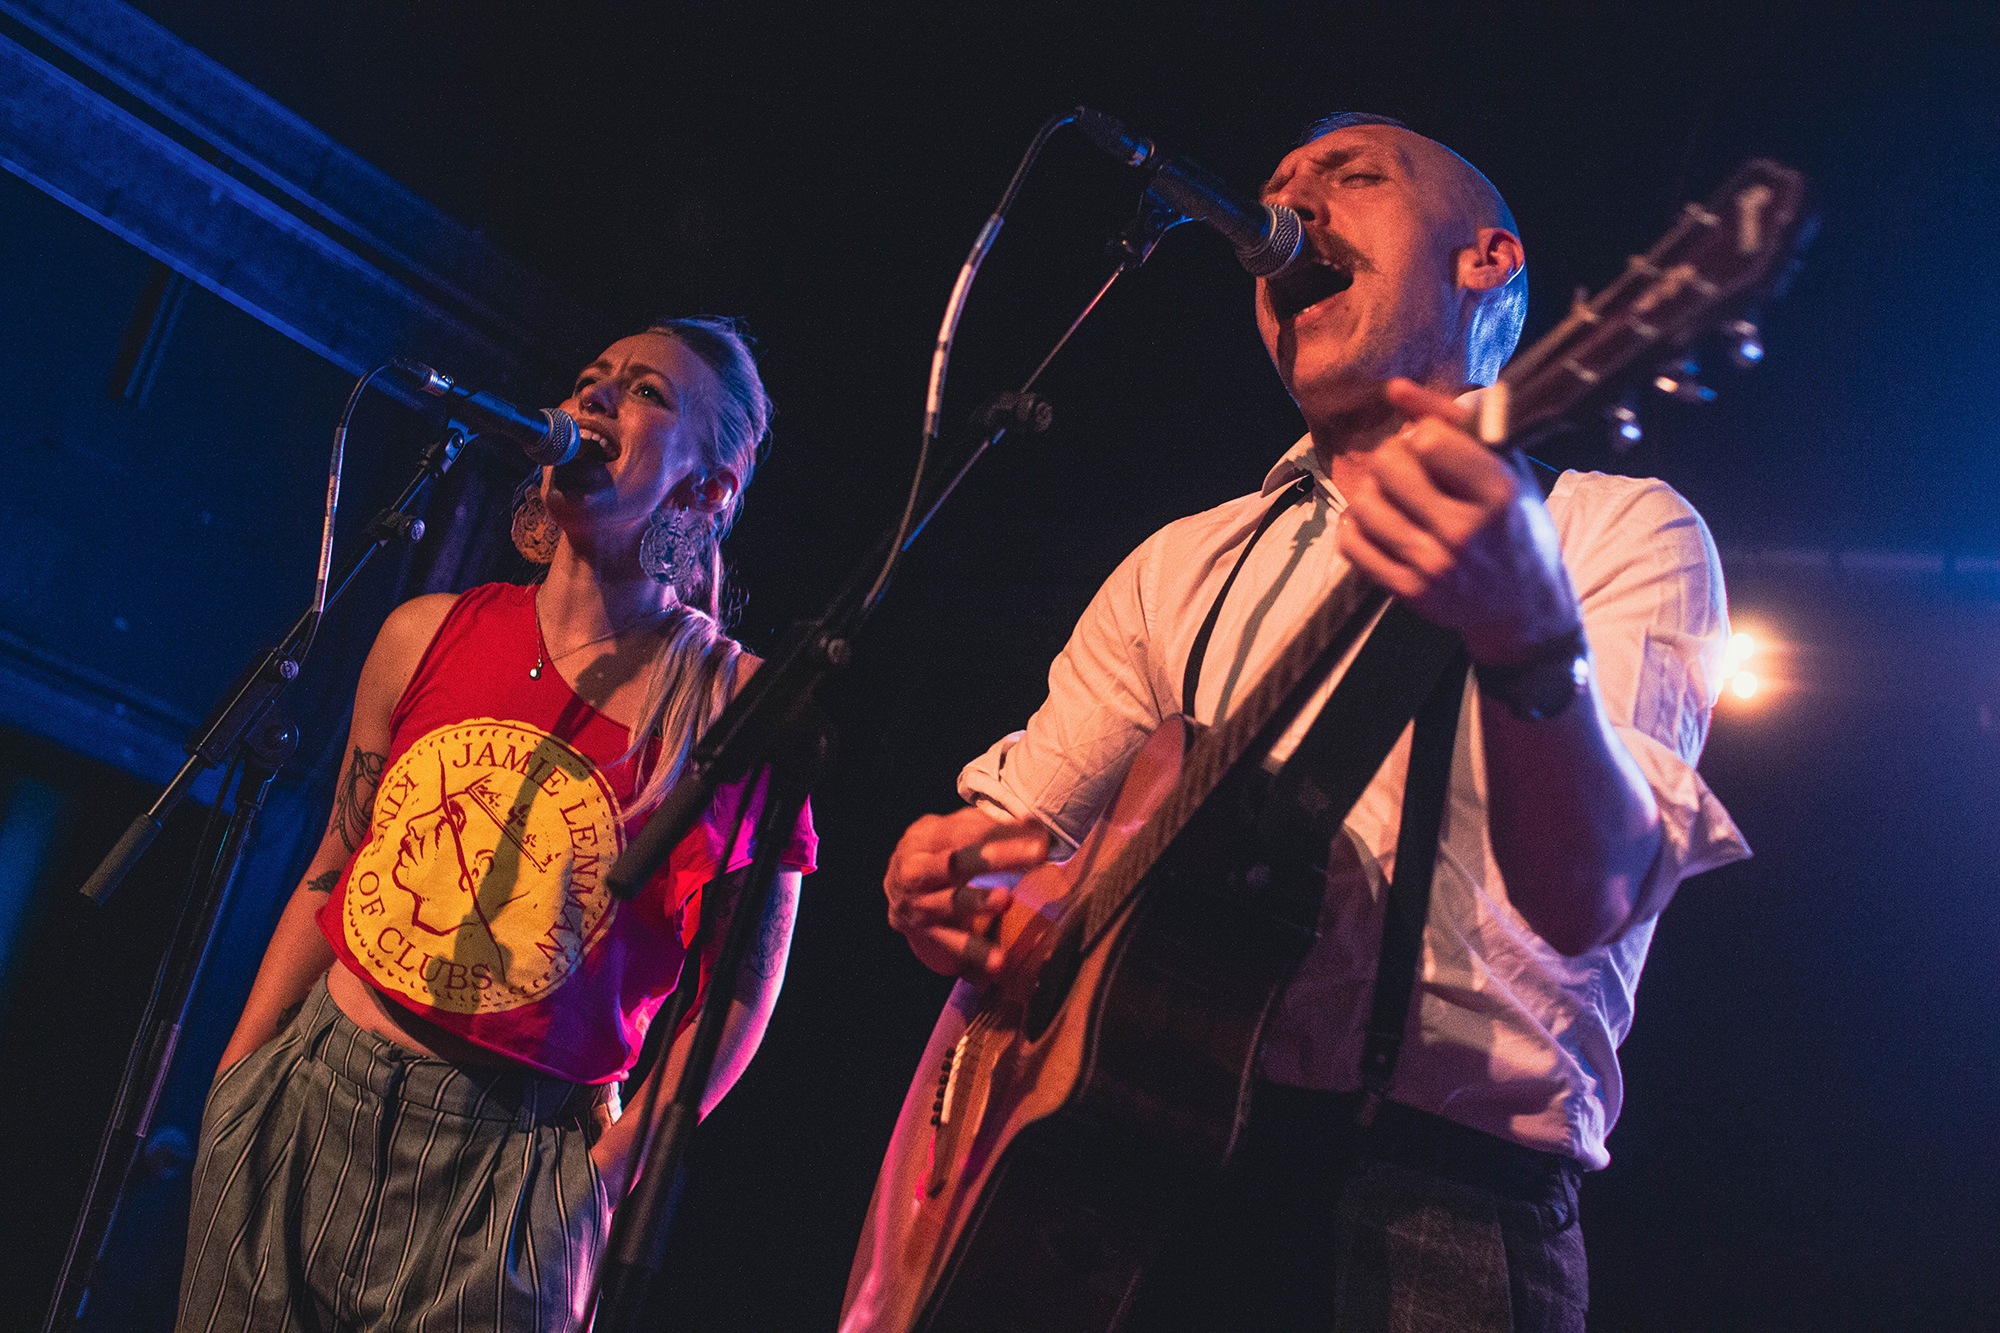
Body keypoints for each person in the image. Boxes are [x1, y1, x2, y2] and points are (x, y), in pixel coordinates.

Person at [845, 114, 1748, 1331]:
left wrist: (1528, 638)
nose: (1289, 211)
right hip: (1126, 1183)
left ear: (1486, 260)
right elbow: (1014, 853)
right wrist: (949, 889)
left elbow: (1590, 895)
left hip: (1433, 1208)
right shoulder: (1181, 563)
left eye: (1352, 177)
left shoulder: (1612, 532)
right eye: (1276, 189)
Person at [177, 317, 817, 1333]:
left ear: (707, 489)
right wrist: (236, 1082)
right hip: (311, 1093)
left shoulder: (730, 710)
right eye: (590, 375)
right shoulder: (424, 633)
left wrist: (604, 1176)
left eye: (645, 391)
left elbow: (742, 990)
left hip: (513, 1169)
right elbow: (335, 865)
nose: (597, 395)